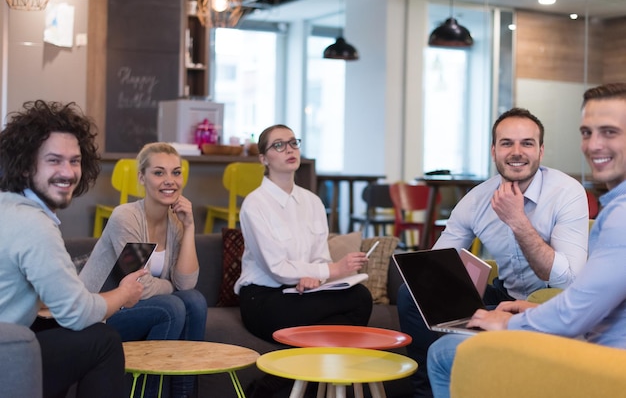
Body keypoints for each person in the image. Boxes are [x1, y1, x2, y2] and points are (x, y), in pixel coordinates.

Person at [427, 82, 626, 397]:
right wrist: (528, 312)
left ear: (541, 151)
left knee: (442, 355)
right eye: (587, 133)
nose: (594, 145)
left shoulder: (615, 215)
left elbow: (575, 301)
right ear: (493, 150)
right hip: (542, 309)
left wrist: (508, 325)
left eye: (610, 132)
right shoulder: (616, 207)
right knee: (420, 299)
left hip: (603, 359)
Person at [397, 107, 590, 397]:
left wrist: (517, 220)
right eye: (506, 143)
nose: (516, 152)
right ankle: (426, 391)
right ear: (493, 151)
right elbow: (434, 265)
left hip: (551, 302)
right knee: (410, 293)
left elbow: (567, 279)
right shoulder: (477, 199)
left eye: (527, 143)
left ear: (541, 151)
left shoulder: (566, 193)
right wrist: (448, 282)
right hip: (504, 296)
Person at [0, 100, 145, 398]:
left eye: (75, 161)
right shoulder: (33, 225)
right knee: (101, 340)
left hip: (11, 336)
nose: (67, 172)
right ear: (26, 166)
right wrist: (124, 294)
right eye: (54, 160)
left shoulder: (8, 206)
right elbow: (77, 313)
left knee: (60, 332)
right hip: (5, 354)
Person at [80, 142, 207, 398]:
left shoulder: (175, 223)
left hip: (136, 308)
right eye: (159, 172)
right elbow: (140, 285)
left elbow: (187, 283)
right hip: (101, 314)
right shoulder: (126, 217)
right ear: (142, 177)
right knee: (171, 307)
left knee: (195, 301)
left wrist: (190, 226)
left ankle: (185, 395)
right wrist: (170, 285)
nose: (169, 180)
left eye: (176, 172)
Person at [234, 124, 373, 340]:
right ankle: (301, 371)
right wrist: (334, 269)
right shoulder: (255, 204)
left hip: (305, 292)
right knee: (330, 321)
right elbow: (276, 269)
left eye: (293, 143)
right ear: (263, 159)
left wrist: (312, 278)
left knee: (360, 297)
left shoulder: (313, 201)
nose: (289, 150)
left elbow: (319, 256)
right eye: (278, 145)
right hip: (265, 296)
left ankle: (295, 372)